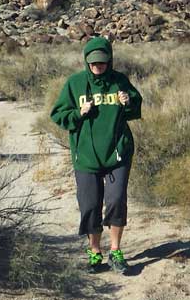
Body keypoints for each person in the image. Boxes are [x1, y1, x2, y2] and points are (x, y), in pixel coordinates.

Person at [50, 36, 142, 274]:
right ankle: (94, 252)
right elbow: (59, 115)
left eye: (102, 62)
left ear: (109, 61)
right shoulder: (75, 83)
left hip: (117, 154)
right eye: (93, 63)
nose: (97, 67)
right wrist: (78, 113)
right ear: (86, 61)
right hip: (86, 157)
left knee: (116, 201)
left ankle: (115, 250)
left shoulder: (119, 81)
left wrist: (128, 101)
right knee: (90, 206)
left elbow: (135, 110)